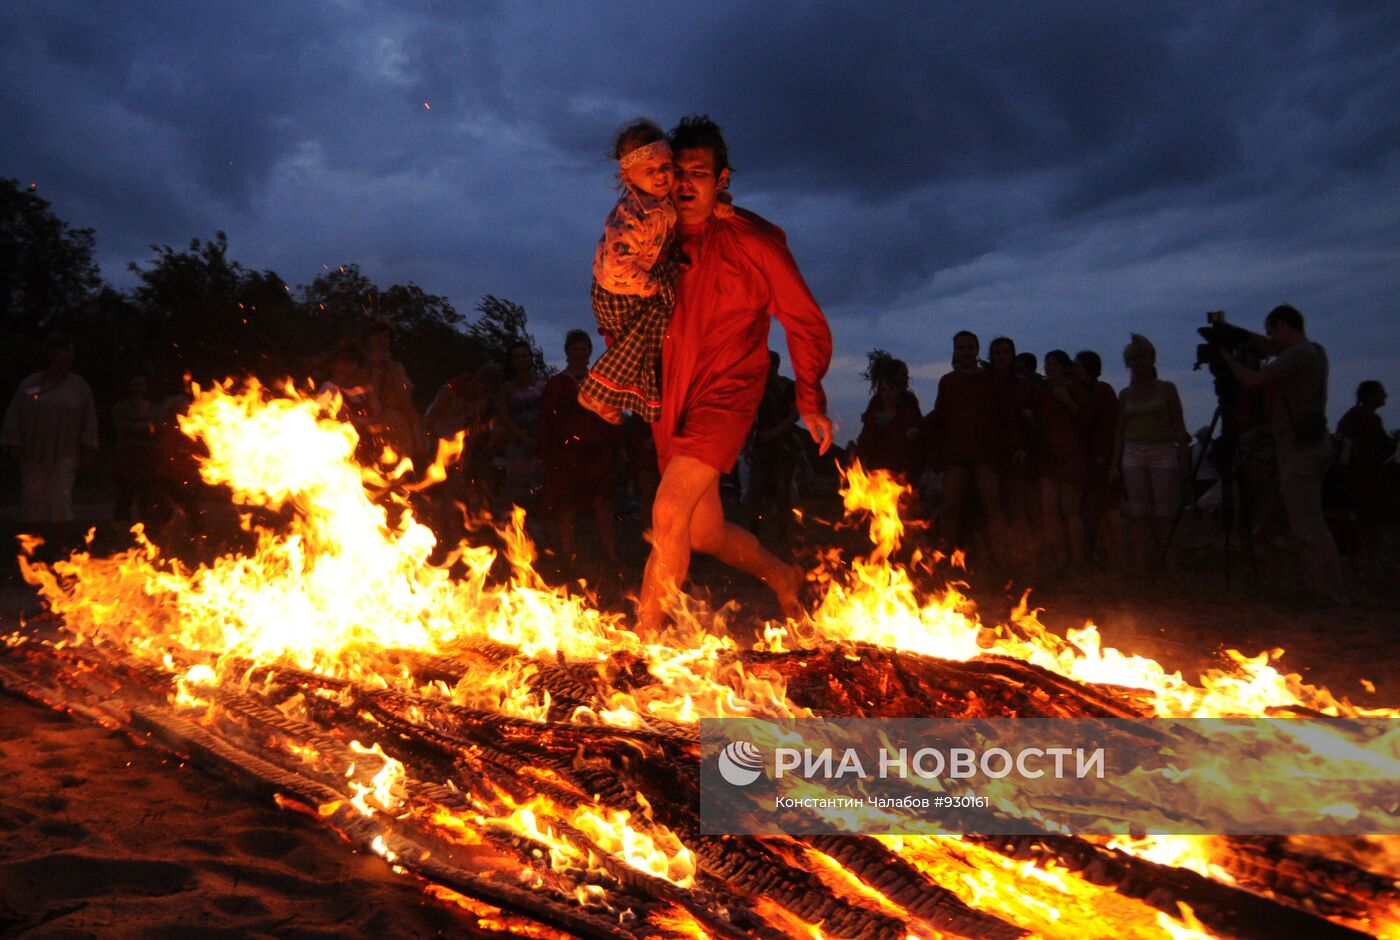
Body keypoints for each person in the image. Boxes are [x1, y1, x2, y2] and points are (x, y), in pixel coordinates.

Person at [638, 115, 833, 637]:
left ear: (721, 178)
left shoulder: (753, 241)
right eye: (676, 172)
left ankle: (643, 643)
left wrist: (810, 397)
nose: (684, 183)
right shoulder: (653, 236)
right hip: (670, 392)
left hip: (727, 391)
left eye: (698, 172)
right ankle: (782, 575)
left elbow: (805, 319)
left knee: (669, 509)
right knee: (702, 533)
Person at [2, 333, 98, 554]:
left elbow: (89, 418)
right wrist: (13, 442)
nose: (69, 356)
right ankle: (31, 554)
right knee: (33, 499)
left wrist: (88, 446)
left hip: (65, 452)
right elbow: (14, 413)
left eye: (72, 352)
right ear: (51, 353)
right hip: (33, 451)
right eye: (65, 350)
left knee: (60, 498)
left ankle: (59, 551)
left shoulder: (78, 385)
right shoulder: (31, 383)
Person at [537, 330, 622, 569]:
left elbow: (612, 414)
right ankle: (569, 554)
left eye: (583, 348)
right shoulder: (557, 384)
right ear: (567, 352)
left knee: (602, 502)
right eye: (575, 348)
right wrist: (543, 451)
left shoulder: (599, 382)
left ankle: (611, 555)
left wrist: (618, 445)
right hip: (567, 453)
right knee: (566, 503)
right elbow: (547, 419)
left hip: (597, 451)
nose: (579, 353)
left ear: (589, 352)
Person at [923, 331, 1011, 561]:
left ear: (977, 350)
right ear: (955, 351)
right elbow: (940, 415)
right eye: (961, 348)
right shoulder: (948, 381)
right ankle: (945, 556)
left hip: (985, 450)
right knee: (951, 506)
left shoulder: (990, 380)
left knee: (992, 504)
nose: (965, 352)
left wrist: (1014, 446)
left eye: (969, 348)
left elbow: (1003, 415)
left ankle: (1001, 555)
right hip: (957, 451)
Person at [1110, 334, 1190, 575]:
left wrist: (1184, 458)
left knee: (1164, 513)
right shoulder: (1125, 394)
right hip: (1133, 452)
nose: (1138, 363)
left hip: (1162, 450)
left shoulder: (1166, 389)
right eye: (1133, 359)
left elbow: (1179, 426)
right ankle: (1140, 566)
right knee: (1138, 514)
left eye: (1142, 358)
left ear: (1151, 359)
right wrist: (1115, 464)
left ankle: (1170, 564)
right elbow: (1119, 432)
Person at [1037, 349, 1090, 570]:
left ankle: (1077, 559)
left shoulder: (1074, 389)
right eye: (1048, 363)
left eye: (1055, 364)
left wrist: (1067, 400)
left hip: (1071, 456)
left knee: (1069, 510)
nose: (1050, 368)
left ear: (1063, 367)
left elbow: (1087, 419)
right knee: (1049, 510)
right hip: (1049, 456)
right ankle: (1059, 558)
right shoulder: (1044, 391)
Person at [1074, 350, 1125, 569]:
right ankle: (1111, 555)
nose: (1074, 370)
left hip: (1102, 459)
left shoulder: (1103, 391)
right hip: (1089, 460)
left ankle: (1119, 555)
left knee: (1109, 509)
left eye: (1078, 366)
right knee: (1097, 511)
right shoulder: (1082, 391)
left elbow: (1111, 427)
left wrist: (1112, 461)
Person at [746, 351, 802, 535]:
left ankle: (782, 530)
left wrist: (775, 432)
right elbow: (751, 416)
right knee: (756, 486)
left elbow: (795, 414)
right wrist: (748, 443)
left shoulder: (787, 386)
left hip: (783, 444)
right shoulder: (756, 388)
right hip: (762, 443)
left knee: (782, 488)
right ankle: (754, 528)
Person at [1336, 381, 1388, 572]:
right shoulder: (1360, 417)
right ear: (1369, 395)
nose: (1385, 395)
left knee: (1369, 521)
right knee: (1362, 521)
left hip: (1370, 478)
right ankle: (1361, 560)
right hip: (1361, 479)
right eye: (1381, 392)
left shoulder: (1368, 418)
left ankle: (1367, 560)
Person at [361, 318, 426, 465]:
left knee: (401, 467)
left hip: (399, 422)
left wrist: (390, 366)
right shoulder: (362, 366)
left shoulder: (397, 367)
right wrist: (375, 369)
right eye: (377, 336)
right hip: (375, 422)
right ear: (369, 339)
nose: (382, 340)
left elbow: (406, 401)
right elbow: (370, 399)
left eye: (386, 336)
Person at [494, 340, 546, 510]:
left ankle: (542, 530)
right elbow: (504, 417)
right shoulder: (506, 388)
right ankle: (520, 529)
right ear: (511, 361)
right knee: (519, 492)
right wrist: (522, 437)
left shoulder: (543, 384)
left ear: (530, 358)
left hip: (541, 441)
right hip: (517, 444)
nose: (521, 360)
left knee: (542, 488)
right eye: (516, 357)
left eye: (524, 356)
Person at [854, 357, 921, 479]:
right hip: (879, 464)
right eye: (903, 374)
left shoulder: (908, 404)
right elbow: (869, 434)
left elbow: (918, 425)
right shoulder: (877, 404)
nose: (906, 378)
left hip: (902, 463)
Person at [110, 374, 158, 524]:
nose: (138, 388)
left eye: (141, 384)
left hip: (147, 457)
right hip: (127, 456)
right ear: (130, 387)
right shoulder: (120, 407)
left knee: (146, 495)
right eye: (135, 384)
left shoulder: (154, 408)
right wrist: (144, 426)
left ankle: (146, 530)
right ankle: (120, 530)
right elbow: (122, 426)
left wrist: (137, 426)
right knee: (125, 495)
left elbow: (157, 428)